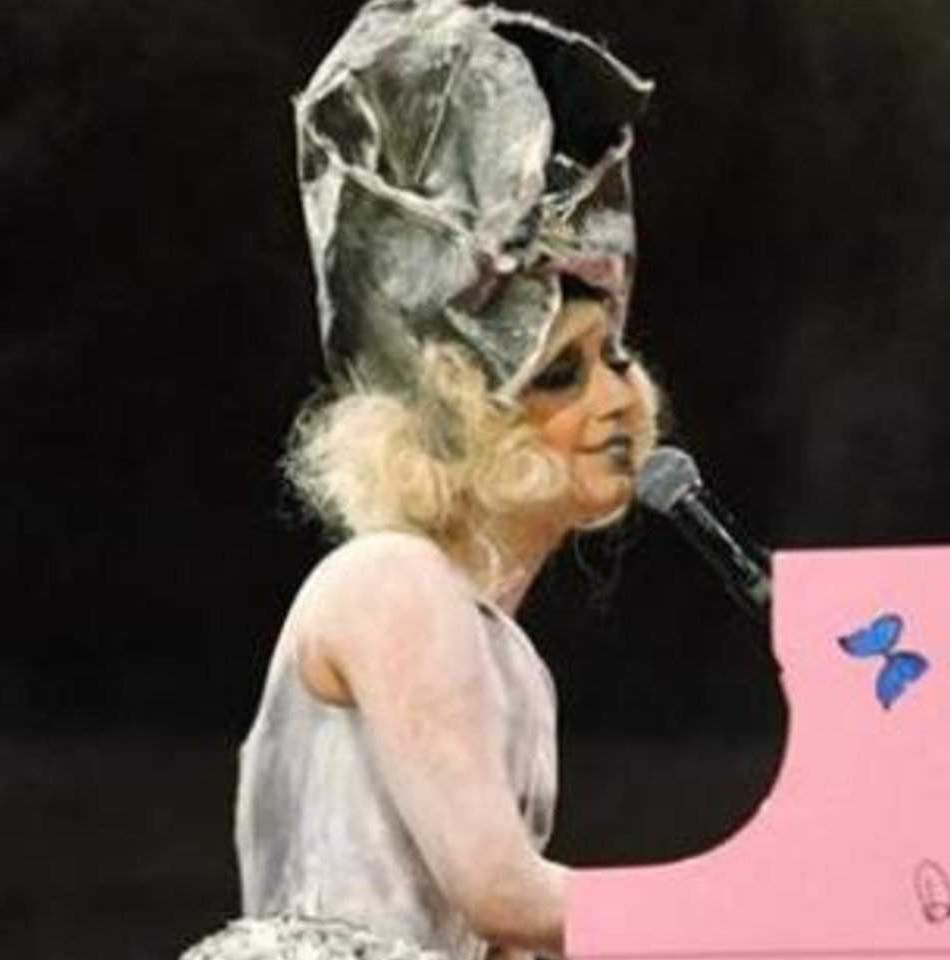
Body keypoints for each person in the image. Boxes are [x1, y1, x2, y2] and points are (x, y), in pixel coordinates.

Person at [181, 2, 660, 958]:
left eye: (614, 358)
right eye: (560, 375)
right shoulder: (391, 580)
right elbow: (502, 892)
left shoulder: (515, 666)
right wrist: (742, 904)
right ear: (459, 413)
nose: (619, 398)